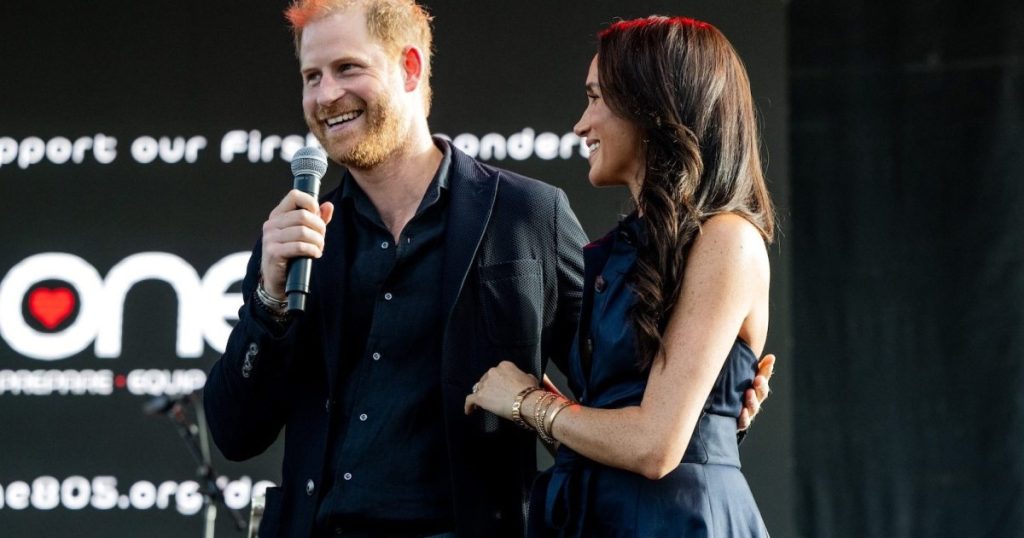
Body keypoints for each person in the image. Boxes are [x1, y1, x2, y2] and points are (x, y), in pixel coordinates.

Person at [203, 2, 774, 536]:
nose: (326, 94)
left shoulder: (527, 214)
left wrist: (716, 405)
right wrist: (269, 300)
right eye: (311, 76)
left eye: (346, 68)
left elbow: (621, 390)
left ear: (409, 67)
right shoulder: (297, 237)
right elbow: (234, 433)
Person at [465, 16, 774, 537]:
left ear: (652, 105)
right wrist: (535, 403)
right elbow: (618, 437)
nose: (580, 125)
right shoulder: (625, 251)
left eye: (595, 98)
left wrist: (528, 402)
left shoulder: (728, 238)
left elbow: (654, 447)